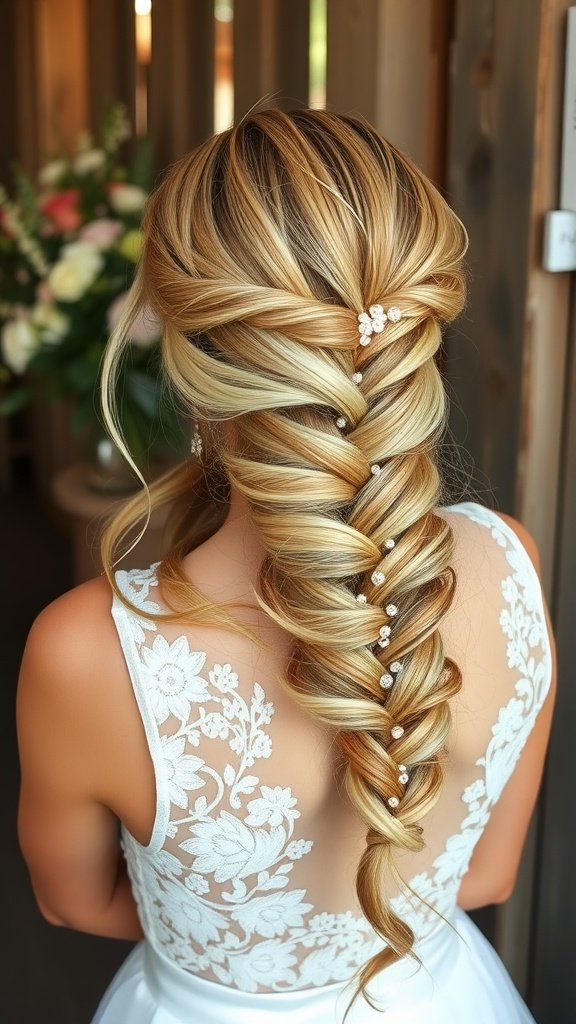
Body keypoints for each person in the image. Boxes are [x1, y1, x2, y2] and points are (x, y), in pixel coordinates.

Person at [16, 109, 556, 1023]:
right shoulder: (509, 562)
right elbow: (490, 875)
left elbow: (73, 902)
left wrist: (232, 949)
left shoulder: (84, 651)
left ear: (187, 355)